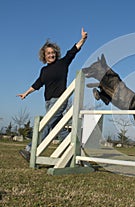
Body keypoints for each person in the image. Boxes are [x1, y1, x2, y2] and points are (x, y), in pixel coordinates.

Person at [17, 28, 88, 161]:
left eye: (53, 52)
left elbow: (73, 51)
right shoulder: (44, 70)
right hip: (48, 102)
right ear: (44, 56)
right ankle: (76, 149)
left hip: (59, 100)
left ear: (56, 53)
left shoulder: (62, 63)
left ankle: (30, 149)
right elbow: (38, 83)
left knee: (46, 125)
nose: (51, 55)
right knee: (58, 128)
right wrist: (26, 93)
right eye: (48, 53)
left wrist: (82, 39)